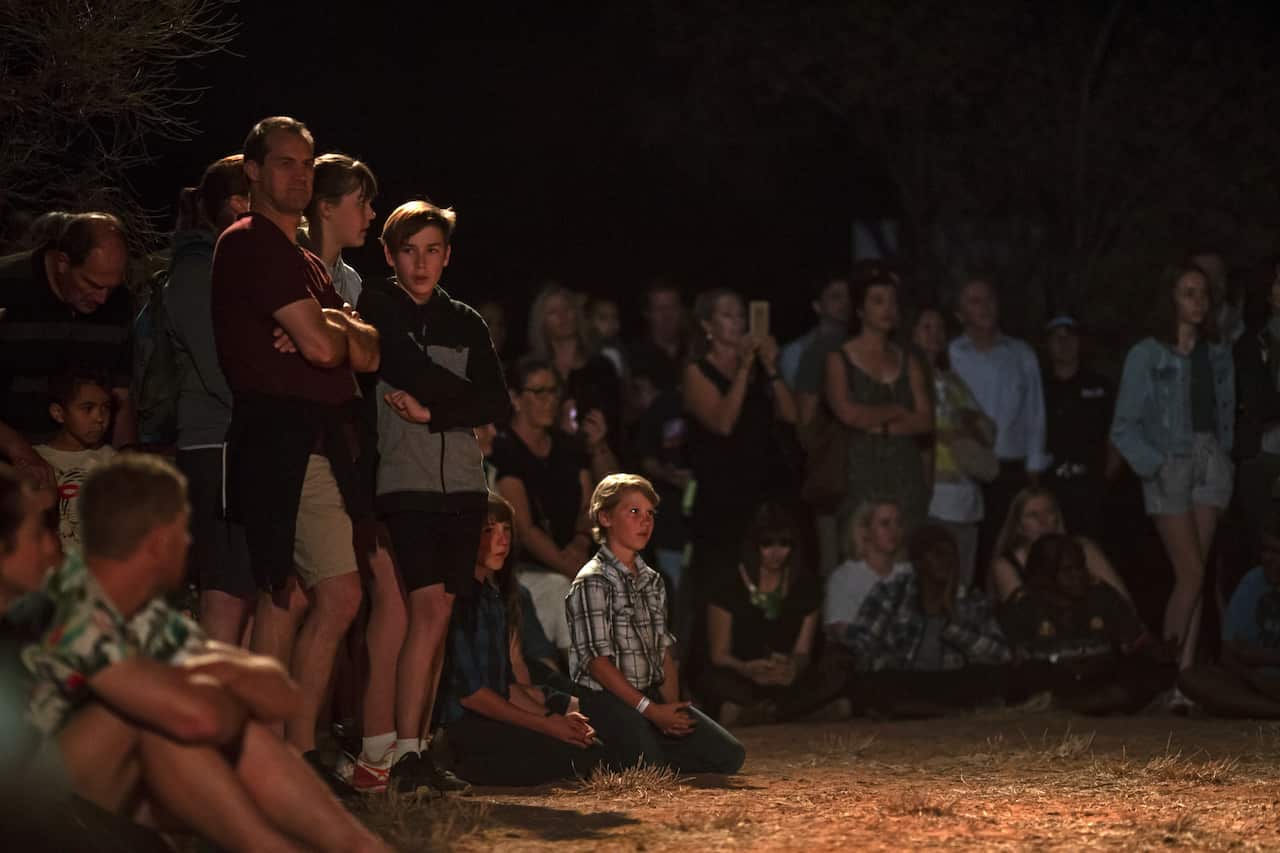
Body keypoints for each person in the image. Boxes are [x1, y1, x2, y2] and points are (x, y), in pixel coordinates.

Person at [17, 456, 390, 852]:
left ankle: (357, 846)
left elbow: (275, 697)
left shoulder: (149, 618)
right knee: (163, 731)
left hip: (106, 809)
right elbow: (198, 716)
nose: (190, 543)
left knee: (204, 732)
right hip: (40, 817)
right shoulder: (68, 610)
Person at [210, 116, 380, 781]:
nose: (300, 176)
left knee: (323, 594)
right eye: (284, 163)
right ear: (252, 170)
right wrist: (331, 334)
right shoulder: (250, 242)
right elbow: (321, 349)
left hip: (321, 436)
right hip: (279, 432)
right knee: (291, 591)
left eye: (307, 165)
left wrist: (332, 323)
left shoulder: (307, 259)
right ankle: (275, 752)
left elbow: (368, 349)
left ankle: (291, 750)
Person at [357, 199, 511, 794]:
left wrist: (434, 410)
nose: (420, 264)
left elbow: (497, 404)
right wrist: (456, 405)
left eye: (431, 251)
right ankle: (395, 754)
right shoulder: (378, 304)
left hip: (465, 487)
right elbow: (403, 364)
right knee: (418, 613)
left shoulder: (465, 320)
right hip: (404, 483)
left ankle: (412, 750)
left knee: (440, 615)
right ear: (391, 255)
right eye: (408, 251)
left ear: (447, 256)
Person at [567, 474, 745, 774]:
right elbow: (597, 663)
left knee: (729, 755)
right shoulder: (593, 581)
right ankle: (609, 750)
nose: (645, 522)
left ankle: (642, 744)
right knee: (651, 767)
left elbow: (663, 651)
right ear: (605, 517)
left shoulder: (652, 580)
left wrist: (671, 709)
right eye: (634, 512)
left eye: (650, 514)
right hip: (605, 698)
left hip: (647, 693)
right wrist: (651, 711)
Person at [1111, 260, 1235, 672]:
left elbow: (1225, 412)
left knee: (1197, 576)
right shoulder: (1147, 354)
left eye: (1203, 293)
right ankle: (1162, 676)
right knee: (1190, 574)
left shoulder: (1216, 353)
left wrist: (1224, 459)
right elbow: (1123, 427)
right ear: (1170, 299)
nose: (1198, 301)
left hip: (1209, 461)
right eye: (1188, 293)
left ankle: (1184, 679)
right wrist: (1157, 464)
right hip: (1170, 462)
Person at [437, 492, 608, 784]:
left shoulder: (492, 596)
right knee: (571, 756)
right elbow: (473, 695)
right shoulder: (457, 597)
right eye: (489, 530)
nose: (502, 540)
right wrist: (547, 725)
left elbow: (505, 686)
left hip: (492, 712)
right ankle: (458, 765)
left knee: (589, 746)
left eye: (506, 530)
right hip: (463, 723)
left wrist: (557, 721)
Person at [165, 154, 255, 645]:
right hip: (214, 444)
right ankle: (208, 714)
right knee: (225, 591)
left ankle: (236, 714)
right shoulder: (197, 270)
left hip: (235, 440)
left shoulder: (223, 261)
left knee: (248, 589)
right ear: (237, 202)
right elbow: (216, 363)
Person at [0, 212, 136, 489]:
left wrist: (126, 463)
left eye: (112, 288)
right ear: (62, 263)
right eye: (92, 285)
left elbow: (121, 393)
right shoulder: (8, 287)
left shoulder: (118, 304)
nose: (102, 299)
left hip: (84, 473)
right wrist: (19, 450)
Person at [684, 287, 798, 588]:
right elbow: (723, 422)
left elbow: (791, 416)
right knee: (723, 580)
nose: (737, 322)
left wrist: (771, 368)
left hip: (763, 490)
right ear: (708, 325)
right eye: (727, 315)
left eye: (740, 315)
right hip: (721, 496)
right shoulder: (697, 372)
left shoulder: (760, 368)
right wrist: (745, 366)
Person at [700, 503, 848, 725]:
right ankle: (791, 713)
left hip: (785, 680)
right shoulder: (728, 585)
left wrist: (792, 667)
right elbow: (719, 654)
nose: (776, 553)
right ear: (754, 545)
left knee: (837, 666)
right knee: (716, 683)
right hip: (740, 675)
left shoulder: (804, 586)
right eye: (767, 544)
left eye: (784, 544)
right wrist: (747, 669)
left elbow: (803, 652)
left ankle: (766, 713)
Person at [844, 524, 1011, 714]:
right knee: (875, 681)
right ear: (918, 561)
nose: (946, 561)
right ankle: (935, 710)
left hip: (951, 683)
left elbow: (1001, 655)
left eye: (951, 554)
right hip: (905, 680)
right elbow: (858, 647)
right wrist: (885, 662)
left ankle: (916, 710)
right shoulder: (891, 593)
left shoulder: (971, 600)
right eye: (938, 553)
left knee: (993, 678)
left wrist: (954, 624)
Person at [999, 533, 1173, 714]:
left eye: (1081, 567)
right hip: (1052, 681)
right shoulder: (1024, 604)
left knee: (1146, 675)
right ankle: (1073, 705)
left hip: (1099, 679)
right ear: (1044, 575)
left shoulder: (1101, 594)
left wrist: (1157, 649)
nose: (1078, 575)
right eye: (1067, 570)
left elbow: (1135, 638)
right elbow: (1014, 659)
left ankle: (1063, 707)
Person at [492, 356, 594, 651]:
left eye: (554, 392)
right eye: (539, 393)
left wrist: (580, 542)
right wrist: (567, 565)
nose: (549, 401)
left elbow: (589, 505)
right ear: (516, 398)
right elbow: (523, 527)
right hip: (529, 567)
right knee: (565, 592)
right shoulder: (505, 450)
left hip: (577, 554)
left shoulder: (567, 446)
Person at [948, 276, 1050, 571]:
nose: (984, 307)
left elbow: (1036, 412)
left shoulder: (1021, 354)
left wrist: (1034, 466)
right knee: (966, 553)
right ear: (960, 314)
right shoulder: (951, 354)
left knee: (1007, 553)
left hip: (1010, 470)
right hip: (964, 468)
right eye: (974, 301)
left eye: (989, 299)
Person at [825, 269, 932, 538]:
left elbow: (924, 420)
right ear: (860, 309)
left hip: (906, 474)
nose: (888, 309)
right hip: (860, 475)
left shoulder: (909, 359)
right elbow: (849, 414)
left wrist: (879, 426)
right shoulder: (839, 359)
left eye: (893, 301)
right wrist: (896, 410)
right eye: (878, 301)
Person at [911, 305, 988, 588]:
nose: (935, 335)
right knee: (933, 584)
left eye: (940, 328)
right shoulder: (906, 379)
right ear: (912, 333)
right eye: (926, 327)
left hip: (967, 500)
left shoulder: (954, 382)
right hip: (932, 501)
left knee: (962, 586)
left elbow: (986, 429)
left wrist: (963, 430)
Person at [1178, 513, 1280, 717]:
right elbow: (1228, 654)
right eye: (1266, 550)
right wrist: (1252, 676)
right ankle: (1272, 711)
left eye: (1277, 552)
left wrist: (1258, 656)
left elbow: (1244, 653)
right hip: (1254, 680)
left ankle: (1254, 708)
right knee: (1190, 678)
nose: (1269, 558)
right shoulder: (1252, 581)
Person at [1041, 314, 1117, 542]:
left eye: (1070, 336)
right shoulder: (1037, 387)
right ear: (1048, 344)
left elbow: (1116, 436)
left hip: (1090, 488)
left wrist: (1105, 479)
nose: (1064, 343)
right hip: (1049, 487)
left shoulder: (1100, 386)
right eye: (1057, 337)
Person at [526, 282, 624, 459]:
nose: (563, 317)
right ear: (541, 321)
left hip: (599, 457)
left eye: (567, 309)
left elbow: (617, 423)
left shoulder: (601, 367)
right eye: (554, 312)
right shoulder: (534, 371)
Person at [988, 487, 1130, 604]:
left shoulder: (1083, 548)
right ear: (1019, 526)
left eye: (1049, 512)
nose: (1043, 521)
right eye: (1033, 515)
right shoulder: (1005, 564)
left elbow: (1122, 600)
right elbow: (1023, 616)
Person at [33, 372, 118, 555]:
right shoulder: (38, 460)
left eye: (105, 407)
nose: (100, 418)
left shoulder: (112, 460)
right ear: (58, 413)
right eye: (88, 408)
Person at [823, 499, 913, 644]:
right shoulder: (843, 578)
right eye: (885, 523)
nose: (894, 530)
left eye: (899, 523)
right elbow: (845, 635)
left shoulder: (909, 572)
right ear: (864, 530)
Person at [301, 153, 377, 307]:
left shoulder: (352, 281)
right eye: (361, 202)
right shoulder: (284, 266)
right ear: (326, 207)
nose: (372, 214)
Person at [781, 273, 851, 391]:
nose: (846, 302)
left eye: (850, 296)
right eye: (836, 297)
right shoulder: (796, 352)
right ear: (817, 306)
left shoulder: (860, 343)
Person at [629, 280, 689, 397]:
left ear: (681, 310)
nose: (667, 315)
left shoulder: (696, 350)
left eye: (673, 307)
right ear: (647, 313)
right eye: (659, 309)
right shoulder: (634, 356)